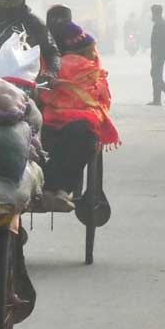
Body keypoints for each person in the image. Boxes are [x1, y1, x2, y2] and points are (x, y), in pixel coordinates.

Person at [38, 22, 120, 211]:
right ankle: (59, 189)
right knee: (88, 137)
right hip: (75, 127)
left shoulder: (45, 61)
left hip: (46, 123)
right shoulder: (91, 70)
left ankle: (48, 186)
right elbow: (102, 100)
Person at [148, 4, 165, 105]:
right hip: (159, 54)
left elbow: (160, 42)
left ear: (156, 13)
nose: (152, 16)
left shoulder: (160, 24)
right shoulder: (162, 23)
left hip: (158, 55)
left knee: (156, 75)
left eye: (153, 13)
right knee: (156, 75)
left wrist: (156, 55)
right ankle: (157, 99)